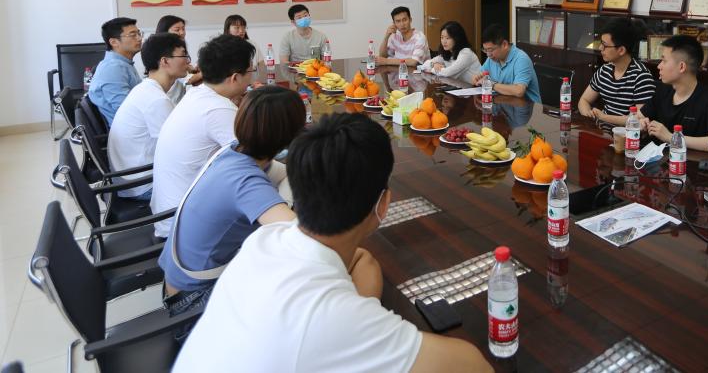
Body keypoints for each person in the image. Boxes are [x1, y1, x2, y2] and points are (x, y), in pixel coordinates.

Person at [172, 113, 492, 373]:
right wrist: (358, 322)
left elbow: (363, 260)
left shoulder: (265, 240)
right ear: (383, 205)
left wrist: (360, 315)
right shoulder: (331, 321)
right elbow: (474, 365)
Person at [159, 86, 302, 320]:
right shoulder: (246, 183)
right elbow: (303, 240)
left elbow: (284, 173)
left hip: (178, 284)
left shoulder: (231, 152)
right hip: (192, 302)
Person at [151, 34, 256, 238]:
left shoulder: (197, 94)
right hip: (184, 228)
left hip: (173, 211)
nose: (251, 77)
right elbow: (254, 161)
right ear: (235, 77)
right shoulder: (217, 109)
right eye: (250, 71)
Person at [106, 33, 191, 200]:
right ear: (165, 61)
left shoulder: (146, 89)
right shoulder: (156, 100)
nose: (188, 61)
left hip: (131, 177)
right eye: (183, 55)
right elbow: (181, 150)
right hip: (143, 185)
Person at [639, 34, 708, 151]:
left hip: (690, 161)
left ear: (681, 67)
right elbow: (638, 117)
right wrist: (641, 124)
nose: (659, 66)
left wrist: (672, 138)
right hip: (658, 159)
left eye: (664, 61)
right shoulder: (663, 91)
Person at [578, 18, 657, 127]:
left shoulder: (641, 76)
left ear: (621, 50)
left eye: (605, 45)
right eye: (601, 43)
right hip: (601, 131)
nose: (600, 48)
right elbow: (584, 100)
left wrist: (603, 117)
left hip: (626, 134)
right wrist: (588, 115)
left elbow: (641, 119)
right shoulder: (604, 70)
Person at [89, 17, 143, 126]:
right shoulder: (113, 68)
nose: (139, 38)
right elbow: (126, 110)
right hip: (129, 130)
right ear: (114, 42)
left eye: (139, 33)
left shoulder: (123, 63)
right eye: (133, 35)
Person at [472, 24, 541, 103]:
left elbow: (519, 91)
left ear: (504, 44)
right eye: (485, 50)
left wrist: (491, 84)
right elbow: (480, 76)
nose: (488, 54)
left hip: (527, 107)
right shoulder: (492, 59)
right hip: (504, 104)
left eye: (490, 50)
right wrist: (477, 79)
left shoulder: (521, 59)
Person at [155, 14, 201, 97]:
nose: (182, 32)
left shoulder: (179, 47)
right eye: (177, 30)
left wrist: (190, 68)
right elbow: (189, 79)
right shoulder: (163, 51)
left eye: (183, 29)